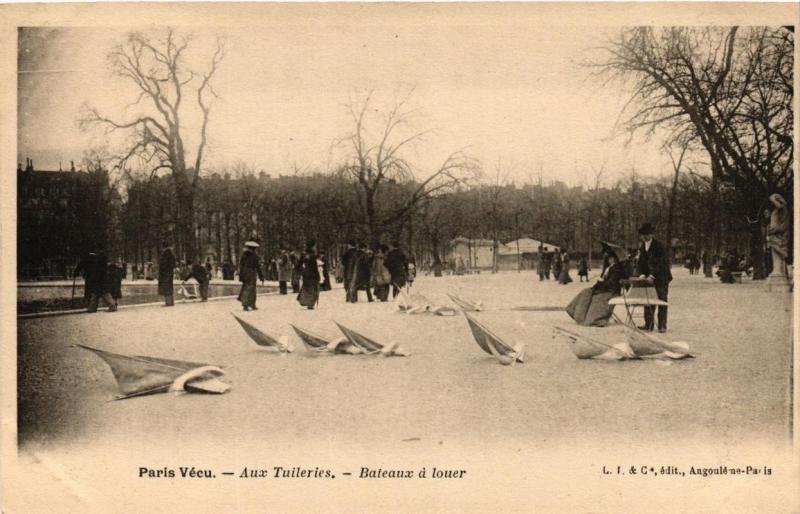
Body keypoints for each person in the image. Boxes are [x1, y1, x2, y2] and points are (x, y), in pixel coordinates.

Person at [566, 242, 627, 326]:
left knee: (595, 298)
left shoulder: (617, 268)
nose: (608, 259)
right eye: (607, 257)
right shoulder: (609, 268)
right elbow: (605, 280)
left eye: (609, 257)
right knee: (586, 292)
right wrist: (599, 284)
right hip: (605, 289)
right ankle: (578, 315)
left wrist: (600, 284)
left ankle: (593, 318)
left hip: (611, 291)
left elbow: (612, 282)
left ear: (614, 258)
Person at [635, 222, 672, 332]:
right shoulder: (642, 247)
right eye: (643, 234)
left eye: (647, 234)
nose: (645, 236)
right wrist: (641, 274)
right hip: (648, 278)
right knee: (648, 300)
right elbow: (641, 263)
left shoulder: (659, 246)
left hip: (661, 278)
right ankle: (649, 324)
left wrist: (652, 276)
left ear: (652, 234)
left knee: (661, 301)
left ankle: (662, 325)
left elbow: (661, 263)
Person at [238, 241, 264, 311]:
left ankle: (246, 304)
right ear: (254, 248)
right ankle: (250, 304)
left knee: (246, 288)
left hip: (244, 273)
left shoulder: (244, 255)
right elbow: (258, 267)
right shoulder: (255, 256)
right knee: (252, 289)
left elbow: (241, 266)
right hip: (252, 274)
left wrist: (241, 275)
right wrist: (261, 276)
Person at [296, 241, 320, 310]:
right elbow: (315, 266)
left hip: (306, 273)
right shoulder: (313, 255)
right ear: (312, 247)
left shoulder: (304, 254)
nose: (315, 248)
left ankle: (305, 301)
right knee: (313, 288)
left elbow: (299, 264)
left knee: (307, 288)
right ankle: (310, 303)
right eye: (315, 246)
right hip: (313, 273)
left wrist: (301, 271)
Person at [158, 241, 176, 306]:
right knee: (170, 287)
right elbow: (173, 264)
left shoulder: (165, 254)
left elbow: (163, 264)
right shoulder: (171, 254)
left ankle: (168, 303)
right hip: (170, 273)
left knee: (166, 288)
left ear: (163, 247)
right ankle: (171, 302)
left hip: (165, 274)